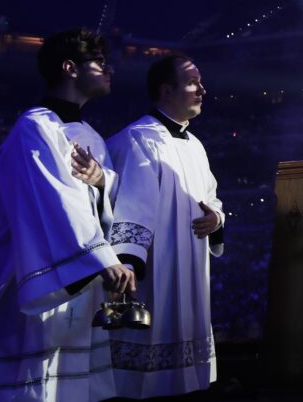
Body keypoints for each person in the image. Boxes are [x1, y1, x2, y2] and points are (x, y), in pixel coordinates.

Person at [0, 28, 135, 402]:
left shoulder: (91, 135)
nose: (109, 70)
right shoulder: (35, 126)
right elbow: (53, 202)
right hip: (39, 275)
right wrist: (101, 256)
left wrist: (102, 180)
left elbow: (103, 195)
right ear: (70, 68)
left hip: (76, 281)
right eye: (99, 62)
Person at [106, 55, 224, 398]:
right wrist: (126, 264)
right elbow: (131, 207)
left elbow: (213, 198)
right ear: (166, 90)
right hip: (153, 275)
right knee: (145, 381)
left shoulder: (196, 145)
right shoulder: (138, 140)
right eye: (192, 82)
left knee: (187, 381)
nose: (202, 88)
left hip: (191, 271)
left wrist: (216, 218)